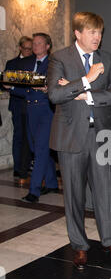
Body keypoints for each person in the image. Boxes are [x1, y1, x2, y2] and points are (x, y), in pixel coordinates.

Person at [47, 12, 111, 269]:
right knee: (74, 195)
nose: (97, 37)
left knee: (106, 192)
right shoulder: (60, 57)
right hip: (70, 137)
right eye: (92, 32)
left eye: (100, 32)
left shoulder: (109, 59)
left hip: (101, 135)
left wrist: (86, 95)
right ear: (77, 33)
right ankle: (79, 246)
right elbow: (55, 94)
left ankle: (108, 240)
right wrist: (86, 80)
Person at [10, 33, 58, 203]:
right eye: (34, 43)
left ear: (47, 46)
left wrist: (48, 89)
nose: (35, 45)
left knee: (40, 150)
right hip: (30, 110)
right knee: (35, 147)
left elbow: (56, 86)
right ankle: (52, 183)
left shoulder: (53, 63)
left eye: (39, 43)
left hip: (46, 111)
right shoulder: (29, 64)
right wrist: (12, 88)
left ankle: (34, 191)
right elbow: (27, 90)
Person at [4, 36, 33, 183]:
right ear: (20, 48)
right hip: (17, 104)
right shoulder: (12, 63)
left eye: (31, 48)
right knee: (19, 136)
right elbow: (6, 84)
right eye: (26, 48)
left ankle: (27, 165)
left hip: (32, 105)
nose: (29, 51)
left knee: (31, 137)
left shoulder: (35, 61)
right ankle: (18, 167)